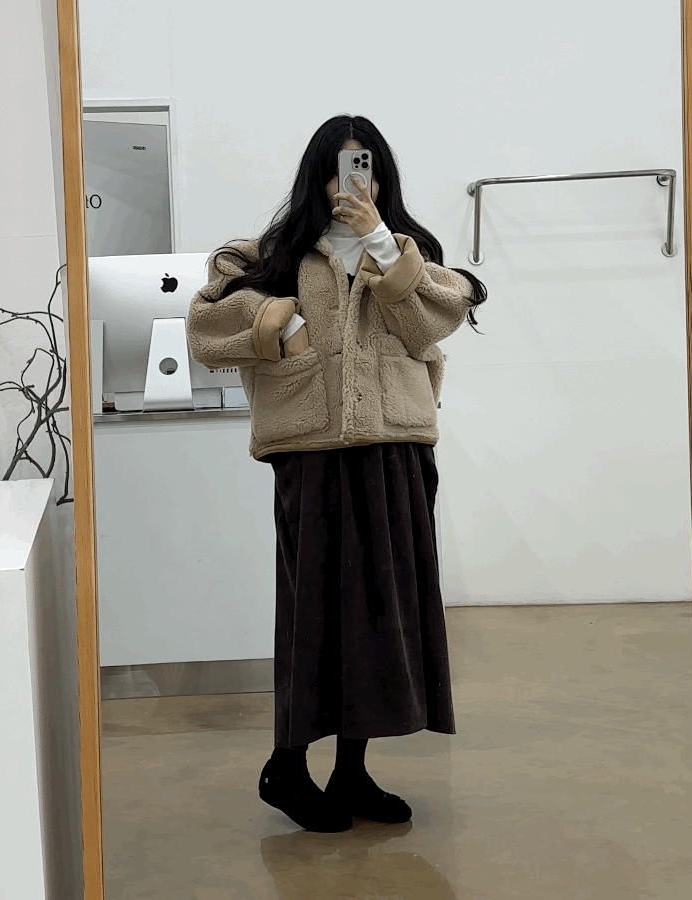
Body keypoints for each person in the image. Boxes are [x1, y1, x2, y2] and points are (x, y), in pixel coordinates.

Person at [186, 114, 487, 833]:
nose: (355, 182)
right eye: (342, 167)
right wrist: (281, 326)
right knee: (315, 612)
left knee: (381, 617)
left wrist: (382, 243)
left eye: (368, 166)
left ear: (382, 176)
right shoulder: (270, 255)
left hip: (395, 452)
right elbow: (206, 325)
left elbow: (430, 325)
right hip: (312, 455)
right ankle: (287, 764)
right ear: (316, 175)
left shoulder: (408, 253)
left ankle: (352, 771)